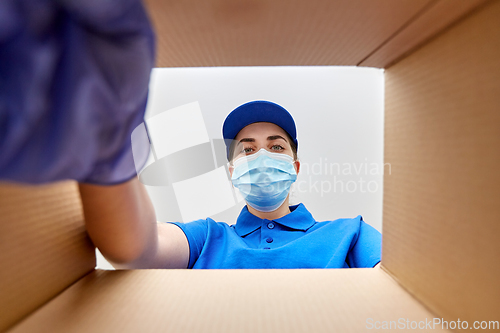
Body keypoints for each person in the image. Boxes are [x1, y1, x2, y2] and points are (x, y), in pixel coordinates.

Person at [81, 101, 382, 269]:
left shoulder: (350, 233)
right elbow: (134, 249)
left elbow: (408, 286)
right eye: (247, 150)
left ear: (296, 166)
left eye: (276, 147)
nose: (262, 156)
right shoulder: (206, 238)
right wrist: (111, 152)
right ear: (232, 170)